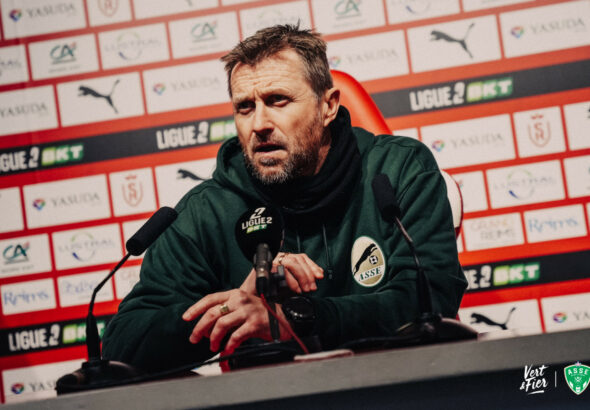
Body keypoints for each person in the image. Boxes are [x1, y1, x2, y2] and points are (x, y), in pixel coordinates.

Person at [102, 24, 467, 372]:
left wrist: (296, 317)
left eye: (278, 101)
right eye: (245, 107)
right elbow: (122, 344)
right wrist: (236, 307)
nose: (259, 124)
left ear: (328, 106)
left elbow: (432, 298)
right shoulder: (206, 213)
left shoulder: (397, 170)